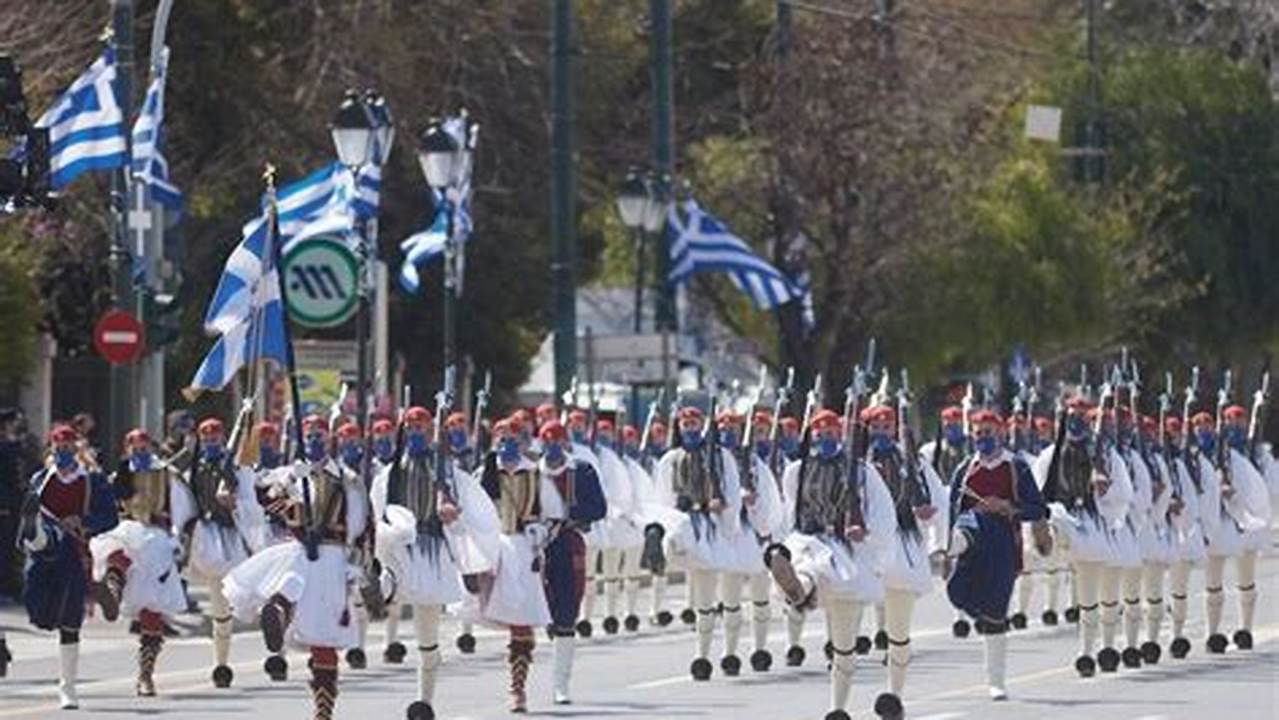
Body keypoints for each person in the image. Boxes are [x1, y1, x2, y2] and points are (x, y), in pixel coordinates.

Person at [223, 415, 369, 720]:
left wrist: (358, 569)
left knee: (323, 638)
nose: (314, 439)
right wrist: (290, 481)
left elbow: (361, 526)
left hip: (331, 556)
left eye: (319, 434)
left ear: (329, 438)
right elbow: (263, 497)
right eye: (309, 433)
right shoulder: (287, 473)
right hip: (298, 548)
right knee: (288, 583)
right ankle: (276, 616)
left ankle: (323, 711)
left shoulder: (348, 478)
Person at [765, 408, 894, 720]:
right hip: (808, 540)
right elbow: (790, 512)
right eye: (819, 434)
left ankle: (838, 708)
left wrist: (865, 531)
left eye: (831, 433)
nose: (825, 439)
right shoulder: (796, 471)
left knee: (844, 645)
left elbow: (883, 514)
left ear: (841, 435)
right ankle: (797, 589)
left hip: (848, 550)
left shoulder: (861, 472)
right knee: (809, 567)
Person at [371, 405, 498, 719]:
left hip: (430, 551)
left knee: (427, 632)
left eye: (421, 427)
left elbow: (463, 512)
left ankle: (424, 700)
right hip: (398, 548)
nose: (415, 433)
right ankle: (375, 601)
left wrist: (452, 515)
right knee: (383, 585)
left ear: (431, 432)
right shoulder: (389, 474)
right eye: (410, 427)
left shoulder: (446, 471)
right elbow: (378, 512)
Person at [470, 418, 605, 711]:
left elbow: (555, 511)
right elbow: (473, 509)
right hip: (495, 549)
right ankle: (514, 684)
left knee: (548, 614)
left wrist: (541, 530)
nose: (507, 444)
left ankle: (542, 685)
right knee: (501, 614)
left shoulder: (541, 473)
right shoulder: (484, 472)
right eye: (501, 437)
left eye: (513, 438)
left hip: (531, 549)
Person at [945, 409, 1048, 701]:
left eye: (988, 433)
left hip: (1003, 546)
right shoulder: (965, 469)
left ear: (1000, 433)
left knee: (996, 614)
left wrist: (1007, 507)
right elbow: (953, 509)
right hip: (971, 543)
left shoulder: (1015, 466)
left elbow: (1038, 508)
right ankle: (959, 543)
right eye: (978, 433)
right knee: (969, 531)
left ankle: (996, 681)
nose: (983, 439)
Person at [19, 424, 119, 709]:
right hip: (43, 558)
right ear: (51, 448)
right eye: (58, 447)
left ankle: (68, 687)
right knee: (39, 608)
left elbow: (110, 517)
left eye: (68, 447)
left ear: (76, 448)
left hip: (75, 553)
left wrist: (84, 523)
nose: (62, 452)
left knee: (70, 619)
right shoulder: (40, 479)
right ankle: (37, 535)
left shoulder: (93, 481)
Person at [1034, 397, 1133, 678]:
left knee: (1109, 596)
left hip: (1104, 528)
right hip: (1073, 525)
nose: (1076, 420)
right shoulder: (1050, 456)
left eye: (1082, 415)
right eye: (1071, 415)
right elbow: (1039, 492)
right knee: (1088, 599)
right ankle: (1087, 652)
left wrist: (1105, 491)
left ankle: (1109, 646)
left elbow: (1124, 494)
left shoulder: (1108, 456)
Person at [863, 404, 947, 718]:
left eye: (887, 426)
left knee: (899, 631)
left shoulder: (913, 462)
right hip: (865, 548)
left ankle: (893, 696)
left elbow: (936, 497)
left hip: (901, 547)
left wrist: (936, 535)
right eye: (875, 426)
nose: (882, 431)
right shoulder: (855, 464)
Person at [653, 404, 747, 681]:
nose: (690, 429)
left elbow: (731, 491)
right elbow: (663, 499)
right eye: (685, 425)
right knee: (700, 596)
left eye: (695, 424)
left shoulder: (720, 457)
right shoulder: (670, 459)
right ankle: (702, 653)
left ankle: (717, 653)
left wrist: (724, 513)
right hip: (686, 528)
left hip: (714, 528)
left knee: (720, 596)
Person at [90, 429, 187, 697]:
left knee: (150, 608)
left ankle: (146, 674)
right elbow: (107, 506)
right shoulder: (119, 474)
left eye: (143, 446)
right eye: (134, 446)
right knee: (116, 552)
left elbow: (180, 508)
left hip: (155, 536)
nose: (139, 451)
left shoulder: (166, 474)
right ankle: (111, 592)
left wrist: (179, 538)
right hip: (127, 528)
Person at [173, 416, 264, 688]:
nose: (210, 442)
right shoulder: (193, 465)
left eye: (214, 438)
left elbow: (250, 501)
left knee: (238, 600)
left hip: (233, 536)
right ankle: (221, 664)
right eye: (206, 438)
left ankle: (263, 649)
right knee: (218, 603)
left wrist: (235, 502)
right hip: (207, 538)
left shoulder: (236, 466)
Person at [1198, 406, 1271, 653]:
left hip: (1246, 519)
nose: (1233, 424)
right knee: (1213, 580)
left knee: (1246, 579)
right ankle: (1213, 633)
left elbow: (1268, 483)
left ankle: (1245, 630)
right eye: (1228, 419)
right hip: (1220, 519)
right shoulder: (1212, 453)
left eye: (1238, 419)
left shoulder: (1257, 452)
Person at [591, 419, 647, 635]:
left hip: (633, 521)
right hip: (611, 522)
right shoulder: (603, 461)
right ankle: (610, 614)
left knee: (632, 571)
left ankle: (631, 613)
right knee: (610, 571)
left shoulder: (636, 462)